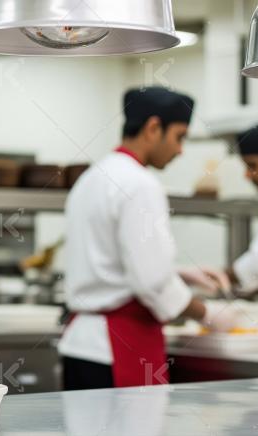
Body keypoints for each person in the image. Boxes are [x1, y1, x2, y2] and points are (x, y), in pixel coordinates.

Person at [59, 87, 239, 390]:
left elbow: (109, 259)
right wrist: (210, 315)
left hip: (80, 346)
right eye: (179, 137)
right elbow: (152, 283)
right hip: (119, 348)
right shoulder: (140, 183)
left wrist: (180, 273)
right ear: (154, 128)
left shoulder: (92, 177)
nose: (181, 150)